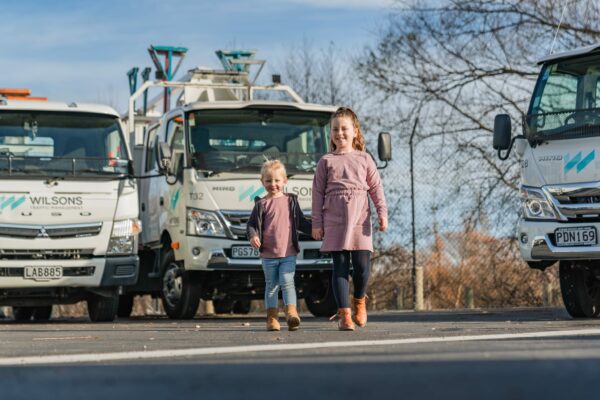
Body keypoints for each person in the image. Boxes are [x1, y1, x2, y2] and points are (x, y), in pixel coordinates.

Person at [312, 107, 388, 331]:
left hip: (360, 219)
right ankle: (344, 314)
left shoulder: (365, 159)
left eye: (344, 128)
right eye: (335, 129)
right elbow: (317, 194)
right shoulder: (326, 161)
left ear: (355, 131)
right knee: (340, 267)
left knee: (362, 266)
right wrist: (317, 223)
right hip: (334, 219)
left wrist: (382, 213)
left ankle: (359, 301)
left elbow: (376, 188)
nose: (339, 133)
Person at [247, 159, 312, 331]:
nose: (273, 184)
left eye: (277, 180)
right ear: (262, 182)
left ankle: (291, 314)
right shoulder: (261, 204)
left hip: (288, 252)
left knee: (287, 281)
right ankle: (272, 319)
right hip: (268, 254)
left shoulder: (291, 201)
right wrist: (253, 236)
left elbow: (301, 222)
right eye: (268, 180)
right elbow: (251, 225)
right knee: (271, 286)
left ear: (285, 181)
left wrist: (317, 230)